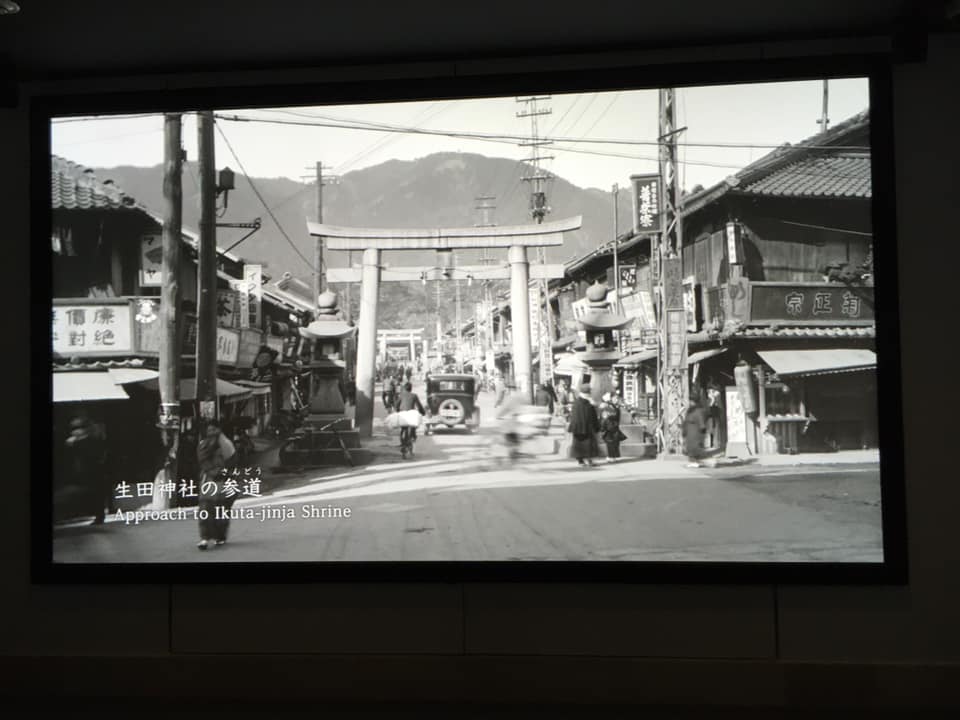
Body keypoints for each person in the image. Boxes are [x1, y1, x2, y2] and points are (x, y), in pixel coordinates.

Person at [196, 419, 237, 550]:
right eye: (209, 430)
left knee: (222, 511)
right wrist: (213, 471)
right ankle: (204, 538)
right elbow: (202, 460)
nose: (212, 432)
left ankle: (220, 537)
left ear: (219, 430)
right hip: (209, 481)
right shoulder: (203, 445)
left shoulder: (226, 444)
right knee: (205, 509)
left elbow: (232, 461)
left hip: (223, 482)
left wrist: (223, 473)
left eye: (214, 429)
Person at [65, 416, 110, 523]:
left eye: (77, 429)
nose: (75, 431)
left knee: (96, 492)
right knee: (94, 493)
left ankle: (99, 515)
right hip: (89, 470)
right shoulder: (80, 441)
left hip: (93, 470)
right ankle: (98, 514)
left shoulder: (84, 441)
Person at [567, 383, 600, 467]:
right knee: (584, 445)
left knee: (584, 444)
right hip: (584, 428)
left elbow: (591, 414)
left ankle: (585, 460)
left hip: (583, 427)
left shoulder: (580, 402)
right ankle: (584, 461)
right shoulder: (583, 402)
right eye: (589, 392)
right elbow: (590, 415)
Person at [394, 382, 425, 458]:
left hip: (403, 415)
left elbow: (396, 405)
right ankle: (411, 441)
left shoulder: (401, 395)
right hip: (411, 415)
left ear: (404, 388)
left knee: (403, 429)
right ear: (411, 388)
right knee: (413, 430)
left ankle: (403, 444)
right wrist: (422, 412)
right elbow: (419, 406)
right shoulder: (414, 396)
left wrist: (398, 411)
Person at [599, 392, 626, 463]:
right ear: (610, 399)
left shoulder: (614, 406)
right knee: (610, 442)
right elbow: (606, 418)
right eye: (615, 398)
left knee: (614, 442)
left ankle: (612, 456)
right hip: (610, 427)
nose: (617, 399)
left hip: (613, 426)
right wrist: (609, 427)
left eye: (617, 398)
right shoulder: (608, 406)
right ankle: (610, 456)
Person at [684, 396, 708, 468]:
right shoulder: (690, 410)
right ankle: (693, 461)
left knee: (695, 447)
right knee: (690, 447)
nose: (689, 402)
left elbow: (701, 421)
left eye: (690, 401)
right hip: (690, 431)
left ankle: (696, 461)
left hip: (695, 431)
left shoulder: (697, 411)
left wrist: (702, 430)